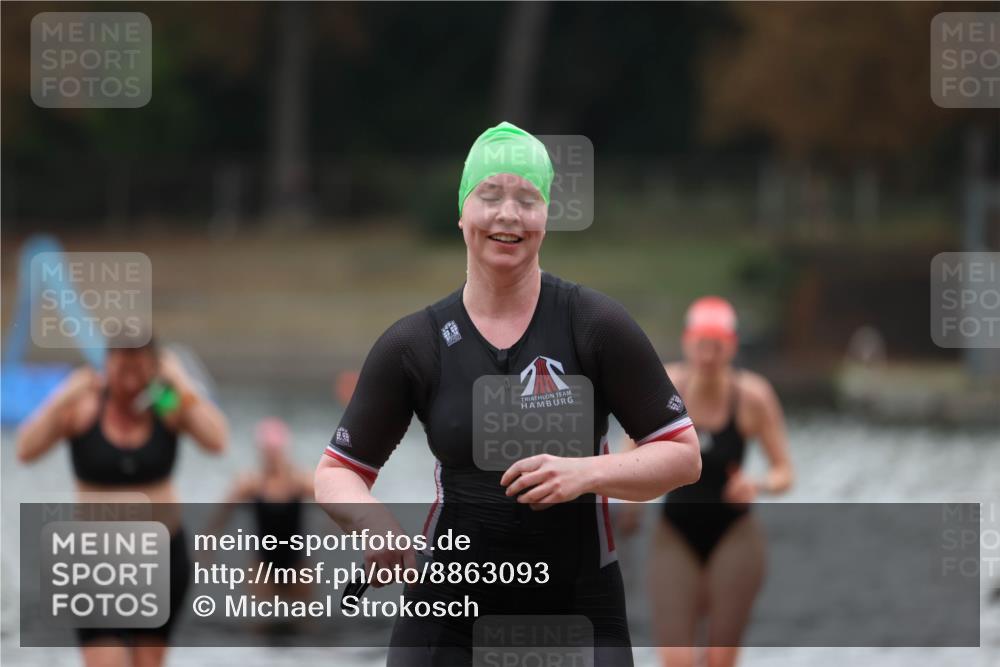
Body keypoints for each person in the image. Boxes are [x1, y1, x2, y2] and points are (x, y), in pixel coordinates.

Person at [314, 121, 701, 667]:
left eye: (528, 199)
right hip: (447, 616)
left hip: (578, 611)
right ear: (462, 212)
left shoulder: (594, 324)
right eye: (490, 195)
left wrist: (585, 473)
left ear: (546, 217)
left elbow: (683, 456)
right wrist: (371, 522)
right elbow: (336, 471)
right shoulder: (416, 344)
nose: (508, 215)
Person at [16, 335, 228, 667]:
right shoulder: (86, 406)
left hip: (161, 558)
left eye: (139, 368)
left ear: (155, 367)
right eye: (122, 368)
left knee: (148, 660)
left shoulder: (164, 404)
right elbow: (26, 449)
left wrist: (181, 381)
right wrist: (62, 395)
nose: (130, 380)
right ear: (107, 365)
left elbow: (216, 440)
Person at [620, 296, 793, 667]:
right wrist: (629, 509)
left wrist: (757, 484)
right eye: (702, 345)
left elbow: (784, 473)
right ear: (687, 343)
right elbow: (629, 458)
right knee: (677, 660)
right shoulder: (664, 388)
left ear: (732, 347)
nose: (709, 355)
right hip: (674, 532)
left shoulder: (752, 396)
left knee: (718, 659)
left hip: (735, 534)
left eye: (717, 346)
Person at [214, 417, 313, 602]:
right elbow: (222, 513)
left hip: (297, 562)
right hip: (262, 563)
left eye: (275, 451)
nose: (272, 456)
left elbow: (332, 503)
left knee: (304, 615)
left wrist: (338, 526)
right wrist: (210, 542)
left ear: (284, 450)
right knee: (259, 614)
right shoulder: (251, 483)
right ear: (260, 452)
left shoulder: (299, 481)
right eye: (268, 451)